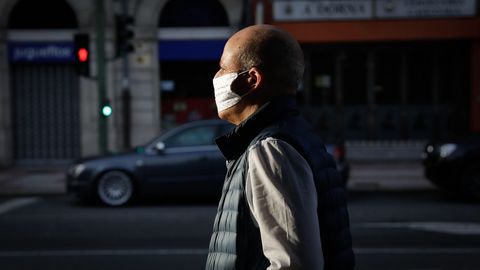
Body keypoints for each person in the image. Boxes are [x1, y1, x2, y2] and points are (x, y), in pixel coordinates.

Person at [206, 24, 355, 270]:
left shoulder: (271, 148)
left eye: (223, 68)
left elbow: (294, 265)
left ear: (251, 79)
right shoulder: (290, 133)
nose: (216, 77)